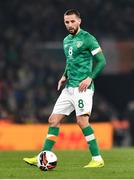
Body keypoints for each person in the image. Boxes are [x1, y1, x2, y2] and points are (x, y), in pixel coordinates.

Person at [23, 9, 106, 168]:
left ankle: (97, 158)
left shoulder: (88, 39)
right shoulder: (66, 40)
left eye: (72, 21)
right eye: (67, 22)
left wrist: (90, 78)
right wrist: (64, 75)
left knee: (82, 121)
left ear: (79, 21)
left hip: (83, 88)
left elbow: (102, 61)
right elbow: (70, 61)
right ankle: (43, 155)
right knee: (53, 120)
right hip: (69, 88)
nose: (69, 25)